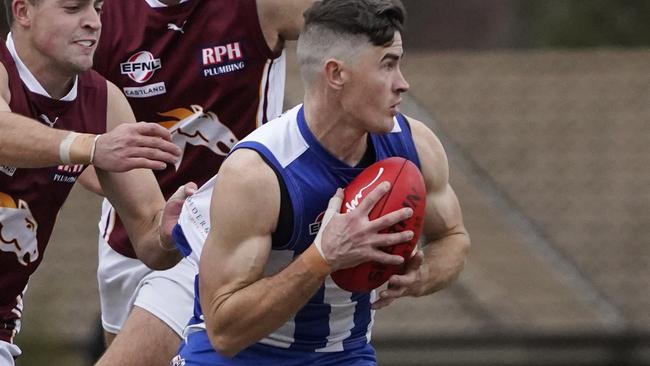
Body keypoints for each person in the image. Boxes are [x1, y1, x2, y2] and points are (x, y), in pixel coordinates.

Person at [168, 0, 471, 364]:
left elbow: (454, 238)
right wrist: (323, 256)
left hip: (342, 355)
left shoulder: (415, 145)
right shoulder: (259, 173)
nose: (402, 84)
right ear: (336, 74)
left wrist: (423, 274)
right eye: (387, 65)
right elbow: (225, 332)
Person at [82, 0, 314, 365]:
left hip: (214, 225)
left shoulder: (261, 8)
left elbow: (349, 30)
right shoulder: (101, 16)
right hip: (127, 233)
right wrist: (119, 179)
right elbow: (67, 124)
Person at [0, 0, 194, 364]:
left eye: (98, 9)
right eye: (73, 8)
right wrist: (91, 146)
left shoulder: (103, 102)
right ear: (23, 12)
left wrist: (169, 230)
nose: (92, 22)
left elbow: (149, 241)